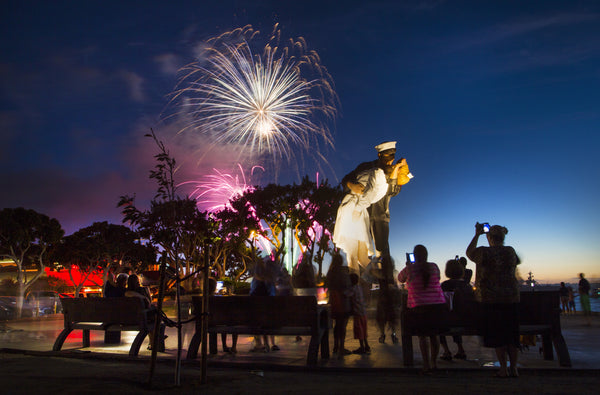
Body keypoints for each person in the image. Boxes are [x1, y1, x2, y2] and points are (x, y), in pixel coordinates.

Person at [340, 141, 411, 263]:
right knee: (362, 251)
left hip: (381, 216)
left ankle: (386, 280)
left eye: (392, 158)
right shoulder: (364, 167)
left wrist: (397, 172)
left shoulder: (395, 170)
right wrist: (352, 185)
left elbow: (393, 192)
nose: (389, 162)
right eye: (386, 158)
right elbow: (345, 180)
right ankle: (361, 280)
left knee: (382, 251)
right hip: (361, 216)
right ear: (379, 155)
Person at [466, 223, 521, 378]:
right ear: (503, 238)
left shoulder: (484, 252)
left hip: (491, 300)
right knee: (511, 335)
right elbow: (516, 262)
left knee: (498, 336)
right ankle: (514, 368)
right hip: (511, 298)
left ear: (489, 237)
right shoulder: (510, 251)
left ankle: (503, 368)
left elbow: (469, 252)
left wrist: (477, 234)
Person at [398, 245, 447, 374]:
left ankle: (426, 365)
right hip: (438, 306)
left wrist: (409, 265)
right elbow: (437, 278)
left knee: (423, 337)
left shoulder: (410, 269)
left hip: (419, 307)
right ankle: (434, 363)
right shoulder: (434, 266)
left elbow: (400, 279)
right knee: (434, 336)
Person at [439, 259, 474, 361]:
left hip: (452, 320)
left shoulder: (445, 285)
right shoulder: (467, 286)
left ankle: (446, 351)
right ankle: (460, 349)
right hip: (467, 319)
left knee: (439, 321)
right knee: (456, 315)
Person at [325, 253, 352, 358]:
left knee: (337, 325)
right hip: (342, 301)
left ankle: (335, 346)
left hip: (333, 301)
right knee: (343, 325)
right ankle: (341, 347)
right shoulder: (342, 273)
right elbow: (347, 285)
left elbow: (327, 286)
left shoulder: (330, 273)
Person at [374, 254, 400, 344]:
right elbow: (396, 285)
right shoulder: (394, 272)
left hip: (382, 297)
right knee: (392, 318)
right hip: (391, 298)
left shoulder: (380, 273)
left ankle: (382, 334)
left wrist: (376, 260)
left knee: (381, 318)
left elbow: (370, 271)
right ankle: (393, 334)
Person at [349, 272, 370, 354]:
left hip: (357, 313)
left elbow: (346, 294)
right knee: (364, 330)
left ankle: (362, 347)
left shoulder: (352, 289)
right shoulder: (359, 288)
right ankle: (367, 345)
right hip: (363, 312)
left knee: (359, 330)